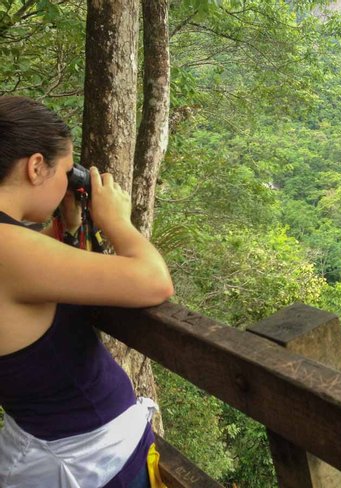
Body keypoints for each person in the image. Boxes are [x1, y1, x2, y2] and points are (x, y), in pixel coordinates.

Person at [0, 96, 174, 487]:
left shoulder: (14, 250)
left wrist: (68, 226)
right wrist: (116, 221)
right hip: (91, 462)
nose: (67, 183)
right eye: (65, 172)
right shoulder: (8, 250)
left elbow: (35, 272)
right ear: (35, 166)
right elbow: (154, 280)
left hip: (51, 447)